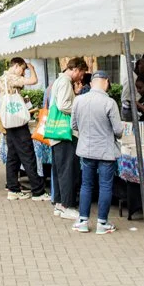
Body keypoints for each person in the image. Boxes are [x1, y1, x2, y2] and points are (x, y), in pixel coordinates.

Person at [70, 70, 122, 234]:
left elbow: (73, 126)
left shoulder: (78, 100)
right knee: (105, 186)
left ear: (92, 83)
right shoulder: (110, 103)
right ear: (106, 82)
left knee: (86, 185)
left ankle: (83, 221)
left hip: (86, 149)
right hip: (106, 151)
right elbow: (119, 130)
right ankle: (102, 223)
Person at [0, 57, 47, 201]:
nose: (23, 72)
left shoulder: (0, 79)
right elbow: (34, 81)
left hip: (8, 122)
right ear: (17, 66)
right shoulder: (11, 78)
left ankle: (13, 188)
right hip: (17, 122)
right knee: (28, 154)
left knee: (13, 156)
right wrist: (32, 68)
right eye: (22, 69)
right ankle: (38, 191)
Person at [47, 58, 87, 219]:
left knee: (59, 170)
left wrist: (75, 95)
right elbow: (64, 105)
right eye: (82, 73)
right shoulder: (64, 81)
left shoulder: (59, 81)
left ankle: (59, 203)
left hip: (57, 134)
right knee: (68, 170)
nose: (81, 78)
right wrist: (79, 105)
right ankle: (67, 205)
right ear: (76, 69)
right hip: (64, 133)